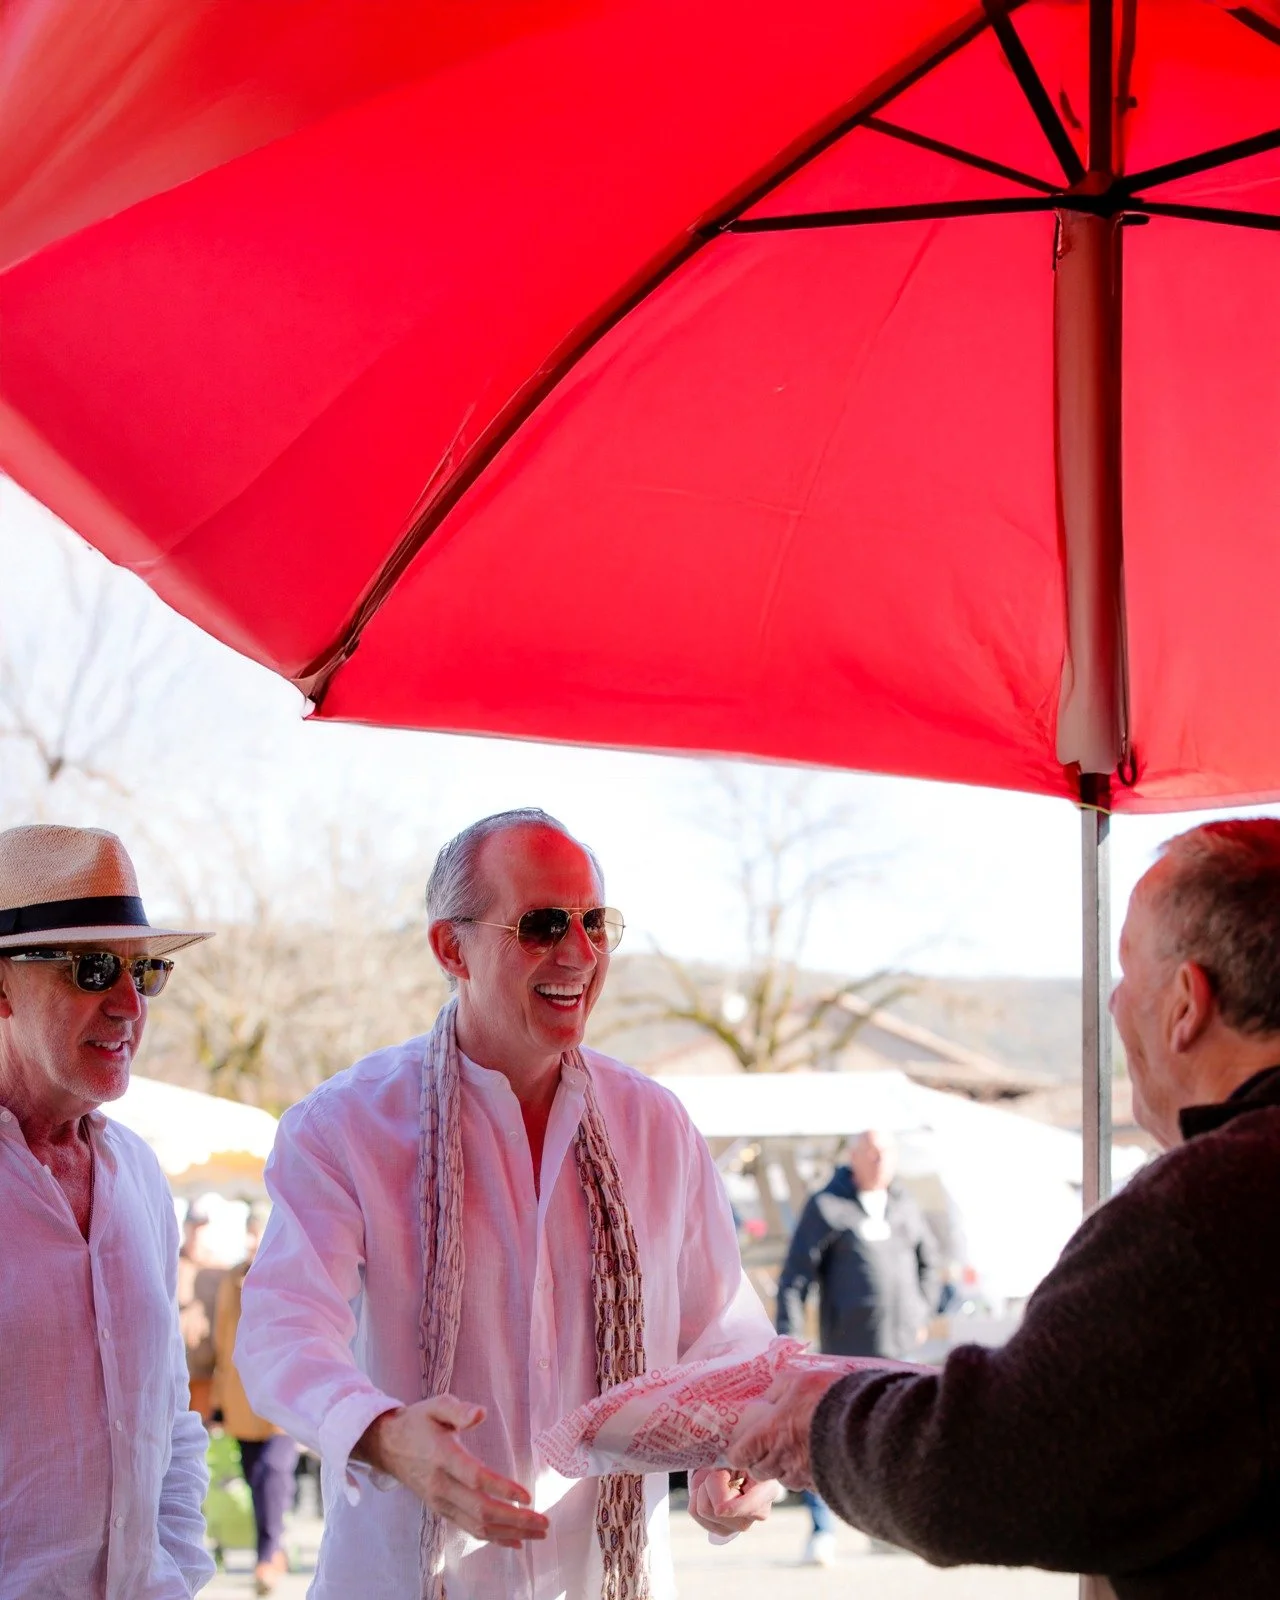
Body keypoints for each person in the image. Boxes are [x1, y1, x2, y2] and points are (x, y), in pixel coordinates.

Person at [728, 818, 1280, 1599]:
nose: (1115, 1004)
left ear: (1186, 1004)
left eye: (1126, 974)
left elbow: (981, 1467)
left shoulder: (1208, 1211)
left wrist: (818, 1421)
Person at [237, 809, 779, 1599]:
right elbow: (282, 1333)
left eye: (595, 923)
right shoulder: (344, 1127)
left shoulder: (656, 1126)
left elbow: (725, 1341)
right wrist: (383, 1435)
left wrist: (733, 1448)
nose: (580, 953)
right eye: (543, 925)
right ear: (450, 949)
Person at [0, 823, 215, 1598]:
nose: (129, 1006)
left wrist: (175, 1574)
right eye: (92, 969)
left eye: (145, 972)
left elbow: (170, 1419)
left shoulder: (141, 1176)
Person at [774, 1128, 939, 1565]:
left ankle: (885, 1530)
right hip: (846, 1351)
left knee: (893, 1440)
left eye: (886, 1152)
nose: (879, 1159)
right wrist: (788, 1341)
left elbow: (929, 1263)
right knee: (826, 1439)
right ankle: (821, 1530)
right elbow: (794, 1278)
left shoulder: (904, 1205)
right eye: (871, 1151)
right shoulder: (827, 1205)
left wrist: (920, 1313)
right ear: (853, 1157)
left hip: (900, 1350)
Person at [212, 1205, 299, 1596]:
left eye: (259, 1232)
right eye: (249, 1233)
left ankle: (267, 1555)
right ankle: (275, 1548)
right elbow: (222, 1341)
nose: (253, 1241)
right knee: (253, 1478)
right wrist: (218, 1401)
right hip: (241, 1398)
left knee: (272, 1474)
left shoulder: (291, 1272)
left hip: (281, 1399)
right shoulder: (231, 1279)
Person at [178, 1205, 225, 1423]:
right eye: (193, 1226)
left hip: (207, 1366)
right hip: (175, 1364)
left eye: (201, 1226)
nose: (197, 1232)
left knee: (200, 1427)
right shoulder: (171, 1261)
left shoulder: (218, 1269)